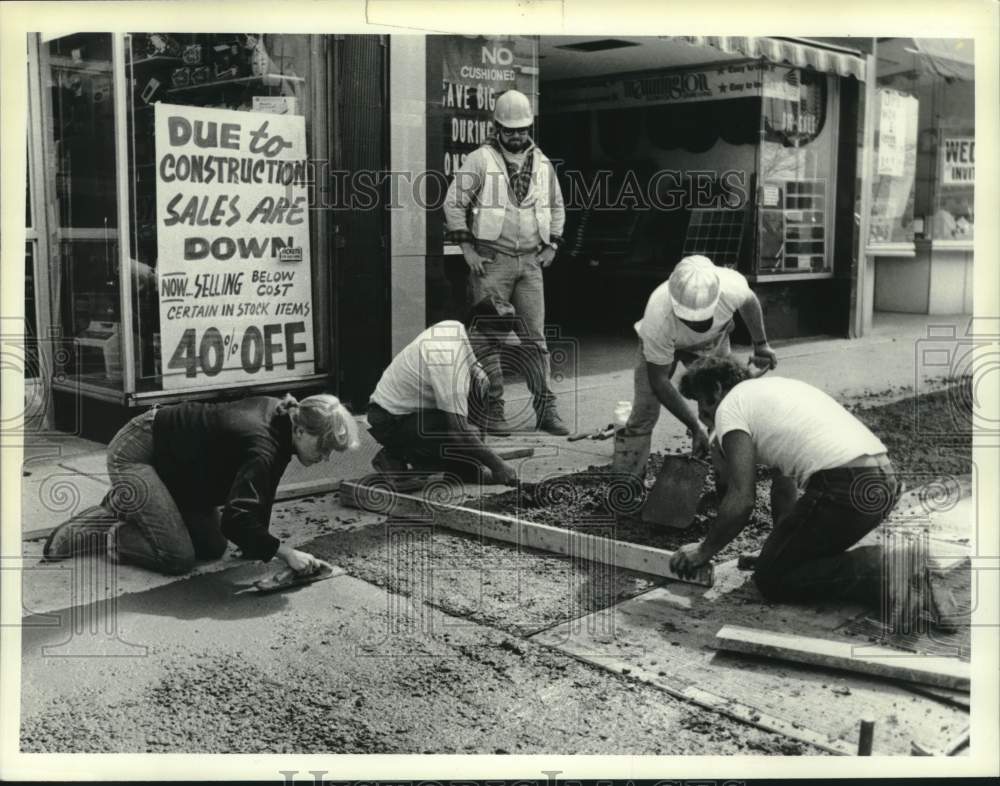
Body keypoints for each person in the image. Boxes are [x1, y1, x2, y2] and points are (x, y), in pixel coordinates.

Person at [669, 356, 904, 609]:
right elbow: (784, 485)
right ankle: (887, 568)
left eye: (701, 401)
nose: (701, 413)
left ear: (716, 389)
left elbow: (741, 498)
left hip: (843, 487)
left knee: (773, 578)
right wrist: (778, 546)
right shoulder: (773, 392)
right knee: (784, 562)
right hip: (882, 483)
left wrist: (704, 550)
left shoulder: (730, 409)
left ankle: (885, 568)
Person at [43, 394, 360, 576]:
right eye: (325, 447)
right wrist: (285, 552)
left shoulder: (282, 420)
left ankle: (134, 503)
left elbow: (256, 496)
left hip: (180, 472)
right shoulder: (264, 445)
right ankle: (109, 529)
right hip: (138, 452)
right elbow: (238, 518)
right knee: (176, 558)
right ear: (302, 431)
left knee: (212, 547)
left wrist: (257, 545)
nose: (327, 457)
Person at [443, 88, 569, 437]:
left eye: (522, 129)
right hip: (491, 261)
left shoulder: (542, 164)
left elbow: (557, 208)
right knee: (487, 339)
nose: (516, 135)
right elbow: (454, 203)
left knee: (536, 341)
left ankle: (546, 410)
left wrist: (553, 245)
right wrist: (467, 248)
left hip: (530, 263)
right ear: (496, 127)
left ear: (530, 127)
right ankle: (492, 410)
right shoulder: (481, 159)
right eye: (509, 129)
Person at [612, 254, 778, 478]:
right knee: (644, 412)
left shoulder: (732, 286)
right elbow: (659, 381)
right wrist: (694, 425)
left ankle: (726, 483)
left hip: (712, 343)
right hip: (663, 346)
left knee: (722, 409)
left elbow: (749, 302)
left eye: (702, 319)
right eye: (690, 320)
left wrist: (761, 345)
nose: (697, 324)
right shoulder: (658, 316)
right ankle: (628, 486)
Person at [366, 296, 521, 488]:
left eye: (499, 344)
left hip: (410, 411)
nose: (496, 349)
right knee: (467, 432)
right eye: (492, 342)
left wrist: (479, 375)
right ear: (474, 330)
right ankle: (393, 456)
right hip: (389, 419)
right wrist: (498, 465)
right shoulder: (447, 358)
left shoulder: (455, 327)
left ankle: (465, 472)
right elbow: (460, 433)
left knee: (478, 391)